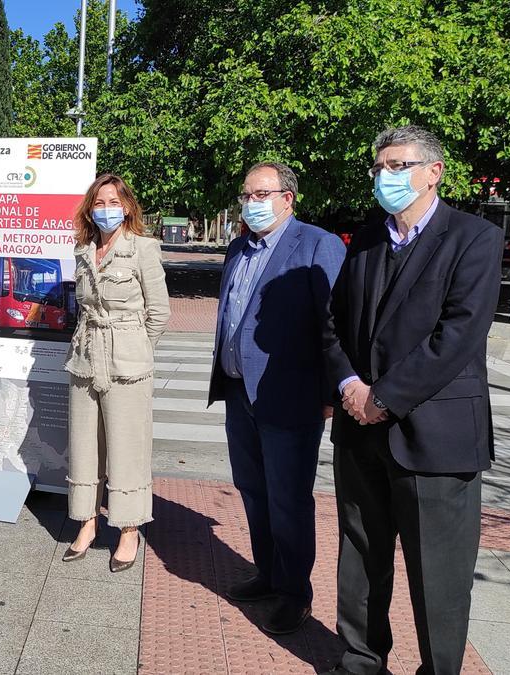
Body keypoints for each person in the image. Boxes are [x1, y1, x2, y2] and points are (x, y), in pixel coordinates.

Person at [321, 125, 502, 675]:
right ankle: (360, 660)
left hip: (434, 436)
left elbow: (460, 333)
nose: (385, 177)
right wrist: (351, 386)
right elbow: (333, 324)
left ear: (433, 172)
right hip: (360, 429)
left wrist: (387, 397)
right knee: (359, 557)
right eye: (379, 167)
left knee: (438, 574)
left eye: (397, 166)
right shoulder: (369, 238)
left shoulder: (474, 237)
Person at [207, 162, 346, 634]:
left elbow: (334, 323)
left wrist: (332, 391)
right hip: (237, 392)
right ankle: (267, 573)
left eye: (261, 193)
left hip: (289, 396)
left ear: (288, 197)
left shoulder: (317, 244)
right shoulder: (238, 248)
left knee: (288, 499)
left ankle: (294, 593)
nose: (252, 202)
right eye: (246, 194)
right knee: (253, 491)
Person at [62, 173, 170, 573]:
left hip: (127, 360)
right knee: (85, 444)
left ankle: (128, 529)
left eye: (113, 202)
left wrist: (137, 347)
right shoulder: (83, 249)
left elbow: (159, 312)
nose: (105, 209)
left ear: (126, 207)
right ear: (90, 208)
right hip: (85, 357)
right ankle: (87, 523)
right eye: (98, 202)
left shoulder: (143, 248)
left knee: (128, 448)